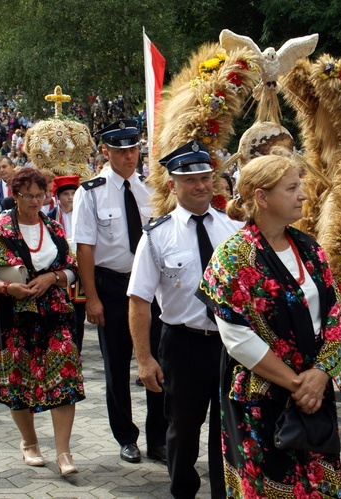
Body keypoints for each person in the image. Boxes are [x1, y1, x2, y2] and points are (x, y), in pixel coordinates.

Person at [196, 152, 341, 498]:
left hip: (314, 393)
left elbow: (335, 317)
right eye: (292, 188)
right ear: (261, 198)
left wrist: (321, 373)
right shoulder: (232, 256)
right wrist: (298, 384)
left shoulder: (310, 249)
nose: (303, 195)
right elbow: (237, 337)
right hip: (261, 398)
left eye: (301, 186)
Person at [128, 140, 241, 498]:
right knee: (182, 430)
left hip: (229, 345)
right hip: (182, 344)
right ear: (173, 185)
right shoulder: (157, 236)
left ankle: (225, 493)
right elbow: (139, 302)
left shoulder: (233, 230)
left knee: (228, 429)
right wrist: (145, 360)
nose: (201, 186)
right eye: (190, 180)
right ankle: (183, 492)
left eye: (206, 177)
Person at [0, 168, 84, 476]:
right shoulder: (2, 229)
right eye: (28, 196)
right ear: (14, 196)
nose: (36, 201)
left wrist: (53, 277)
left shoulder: (55, 228)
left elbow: (72, 269)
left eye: (40, 195)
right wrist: (7, 287)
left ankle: (64, 452)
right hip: (13, 312)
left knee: (65, 375)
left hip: (54, 311)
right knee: (18, 380)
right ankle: (30, 442)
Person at [72, 119, 165, 464]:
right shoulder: (91, 191)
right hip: (111, 285)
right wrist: (91, 297)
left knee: (157, 359)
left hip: (151, 287)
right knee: (116, 365)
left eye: (134, 148)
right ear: (106, 151)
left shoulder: (151, 188)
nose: (129, 156)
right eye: (121, 150)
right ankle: (126, 436)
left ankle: (158, 437)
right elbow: (85, 249)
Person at [48, 175, 86, 352]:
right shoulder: (50, 218)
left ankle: (76, 349)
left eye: (74, 193)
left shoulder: (85, 214)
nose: (70, 197)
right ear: (58, 196)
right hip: (60, 269)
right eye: (66, 194)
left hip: (81, 270)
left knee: (79, 313)